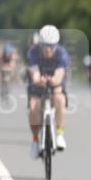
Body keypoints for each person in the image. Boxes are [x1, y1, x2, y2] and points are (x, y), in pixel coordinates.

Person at [27, 25, 70, 159]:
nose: (48, 49)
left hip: (55, 80)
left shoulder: (62, 53)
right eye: (45, 46)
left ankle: (60, 134)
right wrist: (39, 79)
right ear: (40, 44)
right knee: (34, 106)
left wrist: (53, 80)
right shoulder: (33, 52)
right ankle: (35, 140)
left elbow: (60, 74)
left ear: (56, 45)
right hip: (39, 80)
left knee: (60, 100)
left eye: (51, 46)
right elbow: (34, 73)